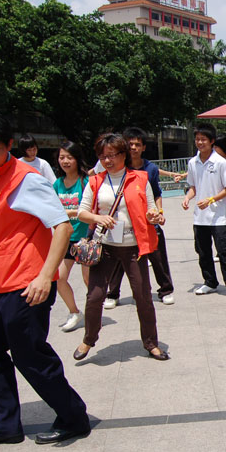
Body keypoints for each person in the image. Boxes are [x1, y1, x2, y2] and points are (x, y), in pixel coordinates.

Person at [0, 110, 90, 445]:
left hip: (26, 284)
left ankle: (73, 417)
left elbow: (62, 227)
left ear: (9, 146)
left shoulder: (24, 179)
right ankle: (3, 425)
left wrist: (45, 277)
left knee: (29, 355)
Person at [73, 133, 167, 362]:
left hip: (134, 247)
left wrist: (155, 216)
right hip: (104, 246)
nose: (108, 160)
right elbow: (81, 212)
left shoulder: (140, 178)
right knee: (95, 296)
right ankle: (89, 339)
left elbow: (151, 209)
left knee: (143, 297)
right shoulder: (95, 181)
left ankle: (151, 343)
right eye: (103, 156)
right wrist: (98, 217)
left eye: (113, 155)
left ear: (124, 155)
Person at [103, 127, 176, 308]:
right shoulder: (119, 167)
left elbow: (157, 194)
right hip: (122, 222)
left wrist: (159, 213)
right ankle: (112, 293)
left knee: (158, 255)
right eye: (130, 144)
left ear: (143, 147)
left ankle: (165, 290)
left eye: (137, 144)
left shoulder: (150, 169)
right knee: (118, 258)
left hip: (147, 221)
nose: (133, 147)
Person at [182, 124, 226, 299]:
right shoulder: (193, 162)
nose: (200, 142)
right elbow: (193, 186)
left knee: (223, 251)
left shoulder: (220, 162)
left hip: (218, 217)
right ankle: (210, 282)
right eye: (197, 139)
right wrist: (187, 198)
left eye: (203, 139)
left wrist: (211, 200)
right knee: (203, 252)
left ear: (212, 141)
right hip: (200, 217)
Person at [53, 141, 91, 332]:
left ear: (77, 159)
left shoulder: (85, 182)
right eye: (61, 157)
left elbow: (91, 208)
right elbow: (51, 209)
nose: (65, 161)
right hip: (65, 238)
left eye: (69, 157)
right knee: (59, 277)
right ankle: (74, 312)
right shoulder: (57, 184)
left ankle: (94, 313)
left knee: (88, 280)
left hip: (85, 237)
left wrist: (69, 213)